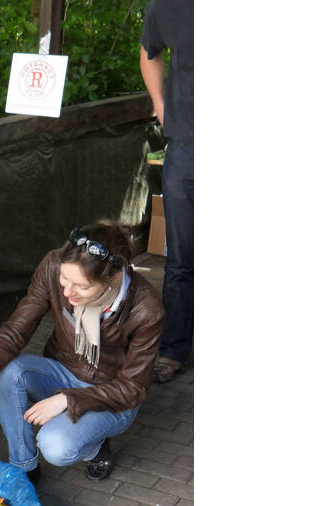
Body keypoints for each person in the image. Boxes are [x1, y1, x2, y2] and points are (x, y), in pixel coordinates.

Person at [0, 221, 164, 484]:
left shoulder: (146, 308)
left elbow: (133, 388)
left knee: (55, 445)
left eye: (81, 287)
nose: (66, 291)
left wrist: (66, 400)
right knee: (3, 371)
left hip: (112, 395)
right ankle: (24, 467)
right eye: (64, 279)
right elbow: (16, 330)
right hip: (62, 370)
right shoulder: (52, 265)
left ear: (114, 279)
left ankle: (96, 448)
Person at [139, 0, 194, 383]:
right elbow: (149, 53)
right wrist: (161, 106)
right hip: (187, 148)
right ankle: (174, 349)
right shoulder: (167, 4)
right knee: (180, 259)